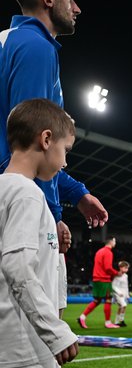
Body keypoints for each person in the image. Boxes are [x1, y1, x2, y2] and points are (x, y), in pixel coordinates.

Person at [0, 0, 109, 318]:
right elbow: (29, 146)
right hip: (23, 205)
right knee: (41, 338)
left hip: (19, 198)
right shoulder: (36, 48)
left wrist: (75, 193)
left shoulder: (13, 41)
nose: (76, 7)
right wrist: (50, 211)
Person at [0, 98, 79, 366]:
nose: (65, 162)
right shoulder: (27, 194)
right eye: (65, 150)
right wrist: (54, 331)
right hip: (25, 348)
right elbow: (17, 266)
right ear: (46, 139)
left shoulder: (6, 189)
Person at [78, 237, 120, 329]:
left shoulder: (99, 251)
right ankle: (108, 323)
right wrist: (117, 273)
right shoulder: (108, 252)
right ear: (111, 242)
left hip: (96, 279)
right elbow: (107, 268)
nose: (115, 243)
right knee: (108, 300)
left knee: (97, 301)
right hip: (104, 279)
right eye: (115, 241)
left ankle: (82, 317)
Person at [112, 261, 130, 327]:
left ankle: (116, 322)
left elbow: (126, 286)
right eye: (125, 268)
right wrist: (119, 292)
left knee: (120, 307)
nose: (126, 269)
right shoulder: (117, 275)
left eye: (127, 268)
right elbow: (113, 285)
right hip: (118, 293)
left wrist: (127, 294)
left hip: (124, 293)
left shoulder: (126, 276)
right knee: (124, 305)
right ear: (120, 268)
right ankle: (121, 320)